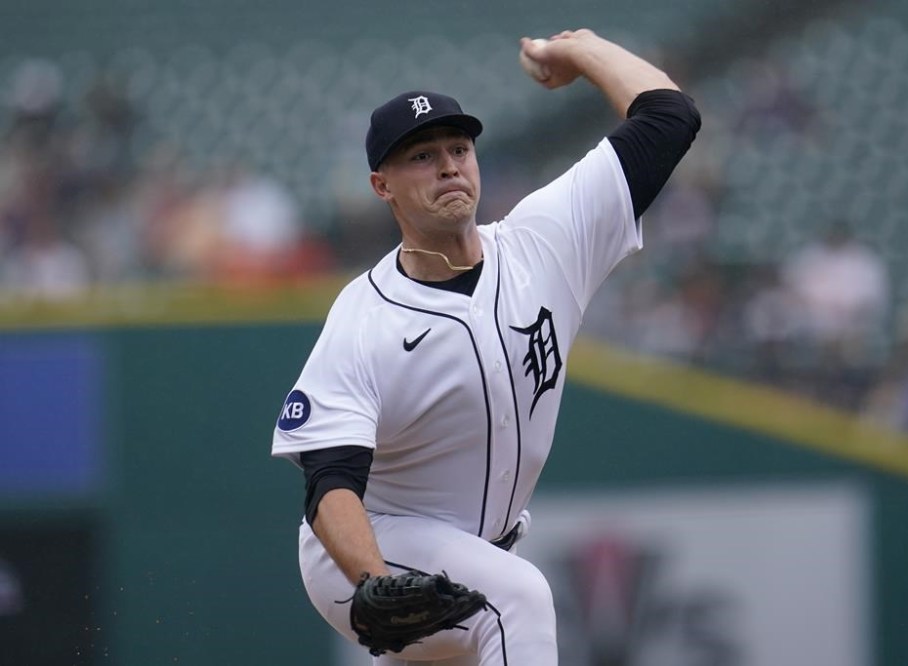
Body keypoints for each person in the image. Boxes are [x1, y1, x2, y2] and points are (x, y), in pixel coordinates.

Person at [272, 29, 701, 665]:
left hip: (481, 551)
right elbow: (329, 479)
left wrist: (580, 50)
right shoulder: (365, 318)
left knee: (503, 594)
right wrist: (373, 579)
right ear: (381, 185)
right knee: (519, 599)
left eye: (458, 147)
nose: (447, 164)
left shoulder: (543, 244)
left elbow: (670, 116)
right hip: (360, 555)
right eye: (420, 155)